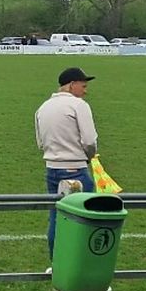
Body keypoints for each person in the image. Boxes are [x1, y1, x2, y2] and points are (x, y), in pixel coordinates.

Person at [34, 67, 98, 264]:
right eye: (83, 86)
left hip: (52, 169)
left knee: (56, 219)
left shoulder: (43, 107)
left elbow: (40, 143)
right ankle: (82, 270)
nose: (85, 90)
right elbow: (89, 140)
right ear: (72, 85)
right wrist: (90, 156)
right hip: (76, 169)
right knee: (85, 221)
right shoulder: (79, 105)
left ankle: (57, 265)